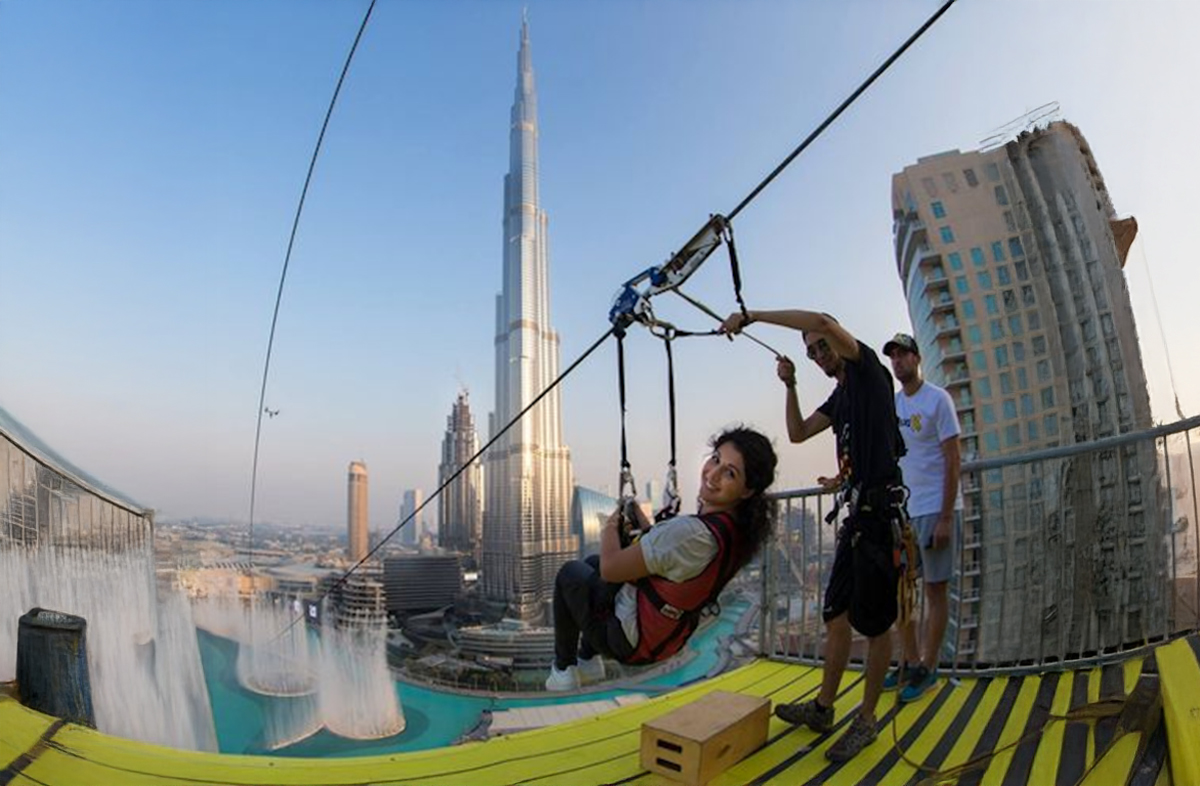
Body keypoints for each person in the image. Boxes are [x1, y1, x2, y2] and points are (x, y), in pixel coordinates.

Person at [721, 309, 904, 763]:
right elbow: (798, 433)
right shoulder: (841, 398)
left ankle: (866, 719)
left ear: (838, 342)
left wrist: (753, 316)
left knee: (877, 626)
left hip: (879, 520)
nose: (819, 354)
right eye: (812, 352)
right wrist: (790, 385)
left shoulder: (867, 374)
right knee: (835, 616)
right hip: (857, 517)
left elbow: (822, 320)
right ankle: (824, 708)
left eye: (822, 347)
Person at [545, 426, 777, 691]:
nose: (713, 474)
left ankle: (563, 671)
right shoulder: (732, 531)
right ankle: (587, 661)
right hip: (666, 635)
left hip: (631, 641)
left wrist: (609, 527)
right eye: (715, 459)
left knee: (570, 573)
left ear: (747, 491)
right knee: (591, 565)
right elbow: (669, 556)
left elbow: (611, 570)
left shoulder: (691, 534)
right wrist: (645, 527)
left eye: (730, 473)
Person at [882, 332, 962, 702]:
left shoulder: (937, 400)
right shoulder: (892, 405)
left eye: (903, 355)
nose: (898, 362)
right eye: (893, 357)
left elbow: (952, 458)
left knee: (935, 589)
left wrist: (946, 517)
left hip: (934, 508)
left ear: (917, 358)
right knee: (903, 594)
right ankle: (909, 662)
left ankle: (929, 667)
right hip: (904, 513)